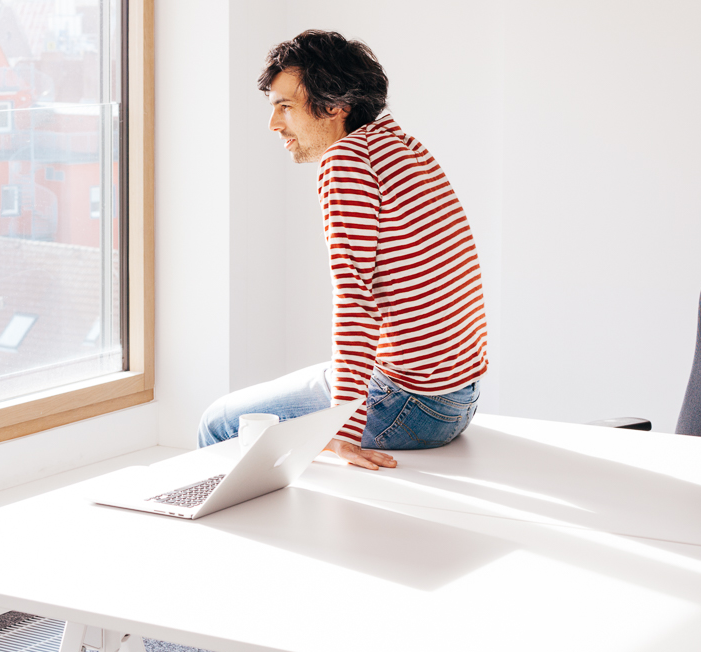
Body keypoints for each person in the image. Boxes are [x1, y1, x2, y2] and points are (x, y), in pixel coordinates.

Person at [199, 30, 488, 470]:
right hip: (459, 396)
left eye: (286, 106)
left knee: (219, 422)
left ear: (335, 105)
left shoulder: (346, 162)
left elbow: (355, 302)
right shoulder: (403, 147)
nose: (274, 124)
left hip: (410, 405)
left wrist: (342, 429)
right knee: (315, 380)